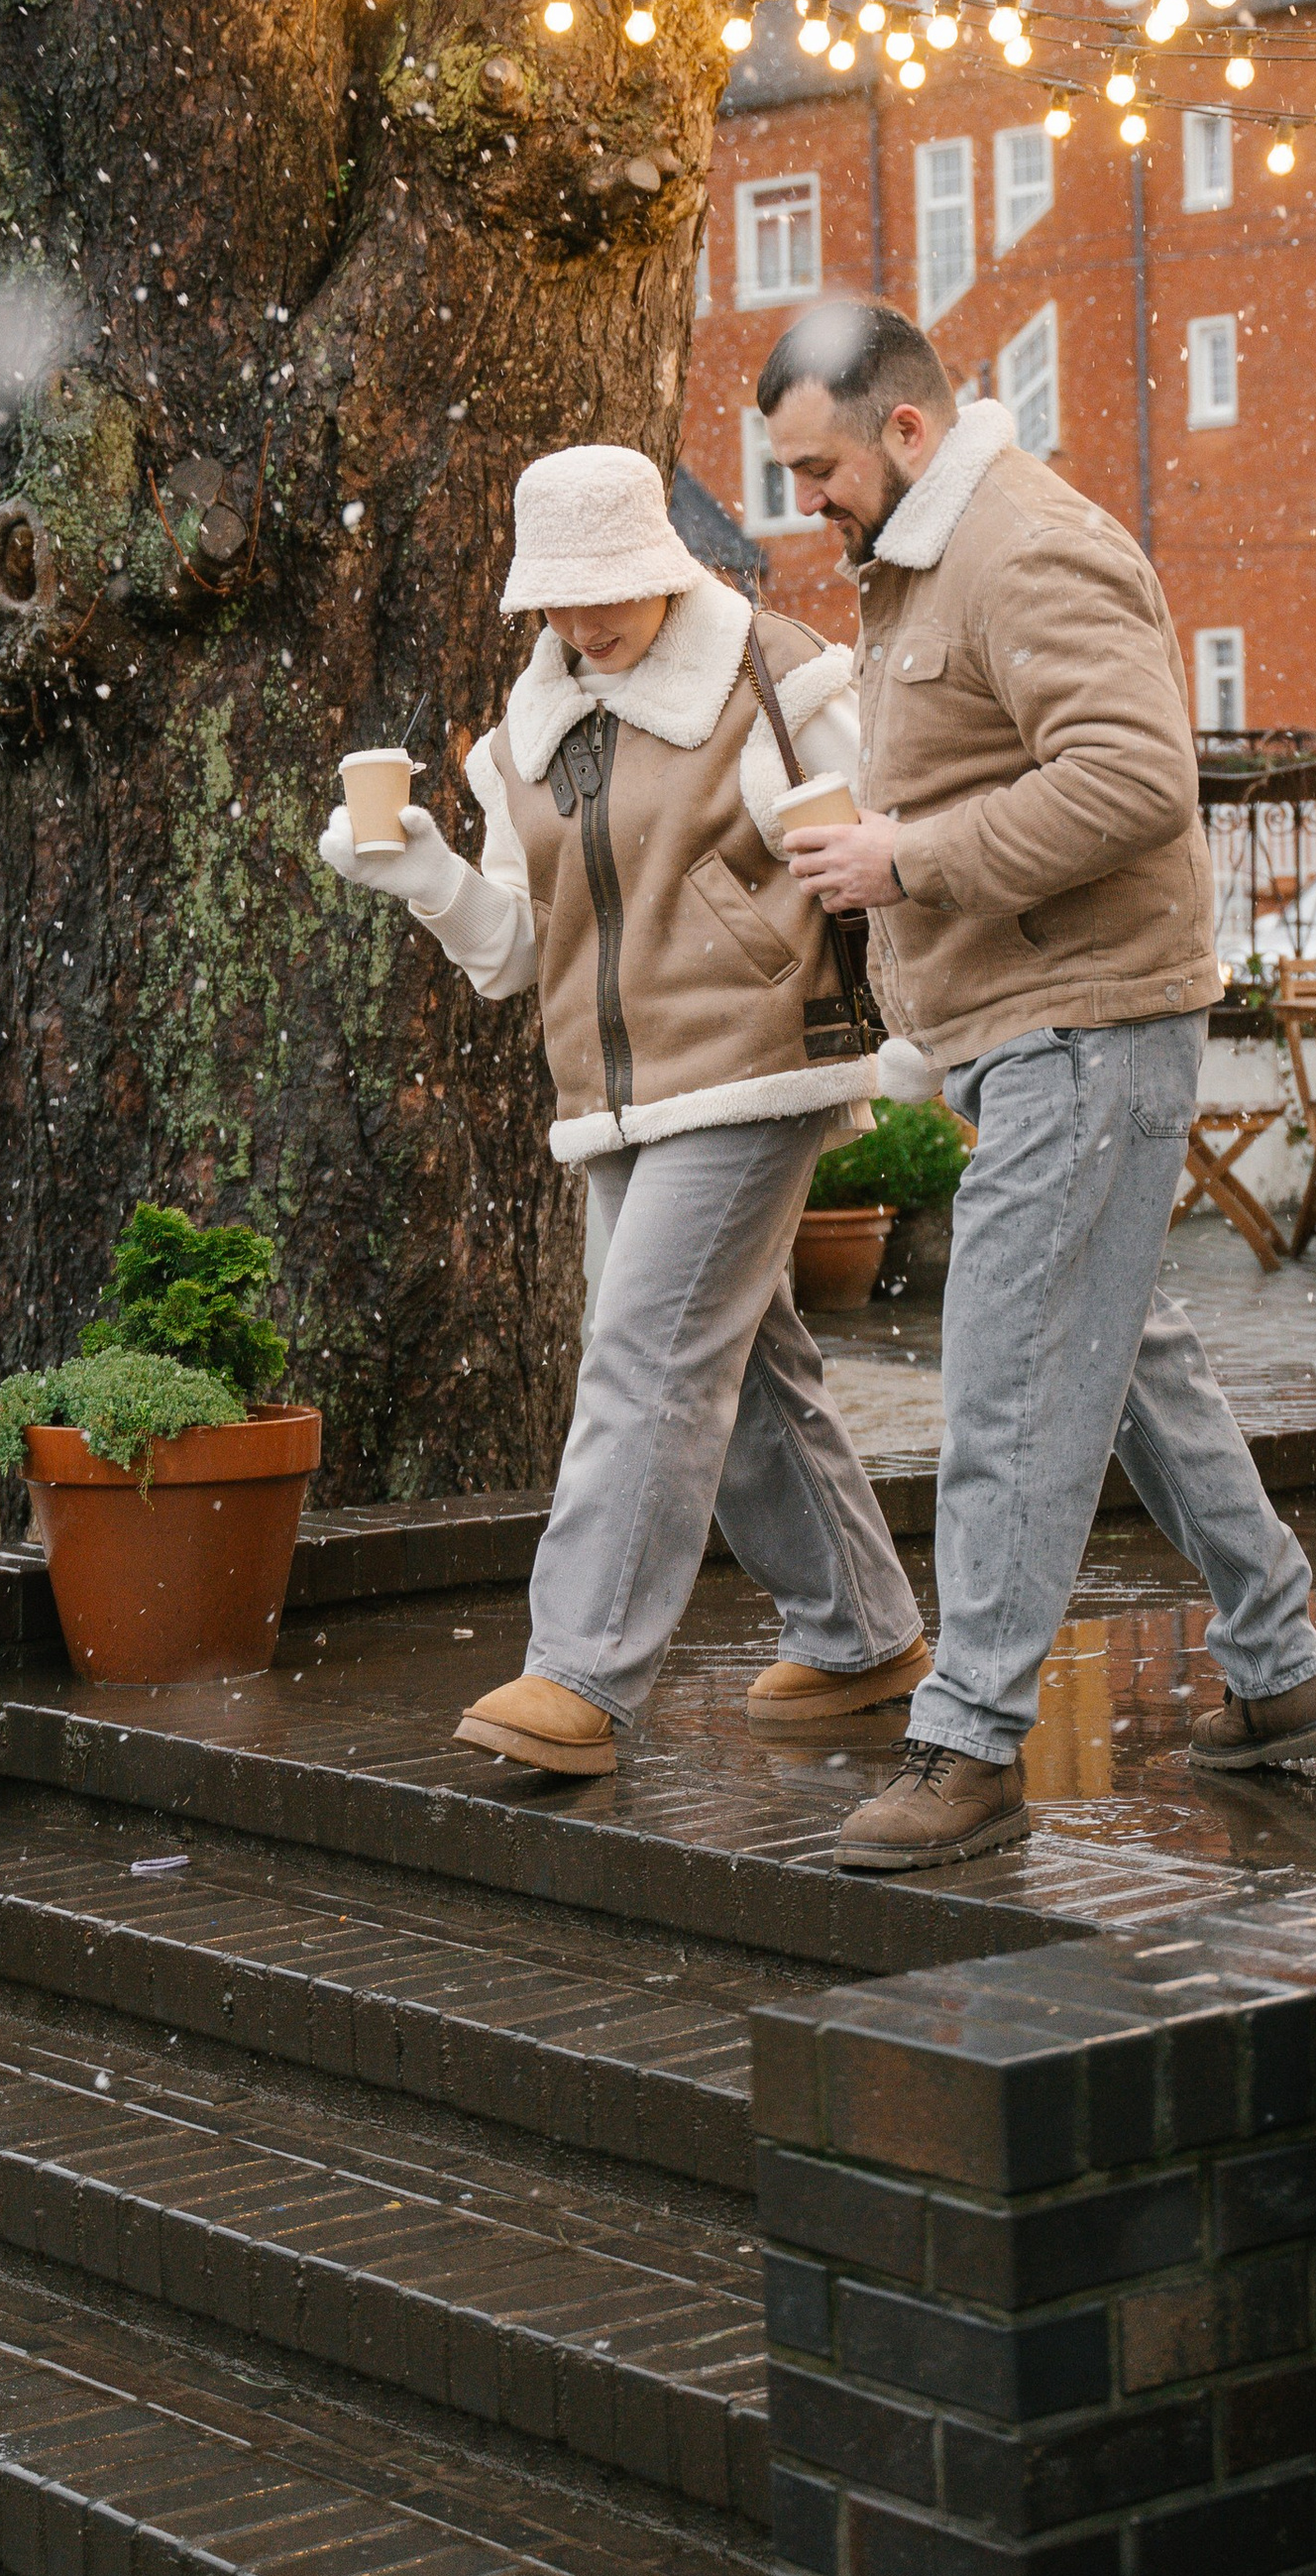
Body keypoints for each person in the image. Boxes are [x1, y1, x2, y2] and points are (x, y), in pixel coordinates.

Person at [759, 298, 1316, 1873]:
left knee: (1014, 1379)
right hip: (1032, 1021)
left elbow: (1136, 777)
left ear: (906, 428)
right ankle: (1282, 1669)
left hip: (1088, 1025)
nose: (800, 501)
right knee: (1124, 1362)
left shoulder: (1025, 544)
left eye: (817, 465)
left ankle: (968, 1742)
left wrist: (909, 856)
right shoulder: (924, 560)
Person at [318, 441, 929, 1779]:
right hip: (619, 1099)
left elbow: (894, 838)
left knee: (646, 1351)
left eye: (614, 589)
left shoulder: (778, 677)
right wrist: (416, 868)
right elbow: (510, 954)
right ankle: (864, 1635)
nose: (589, 622)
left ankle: (579, 1670)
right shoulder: (523, 739)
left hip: (761, 1061)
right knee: (750, 1375)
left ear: (664, 562)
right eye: (562, 598)